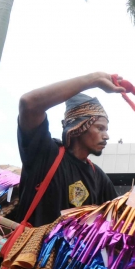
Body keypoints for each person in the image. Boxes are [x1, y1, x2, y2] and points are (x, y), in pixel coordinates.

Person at [17, 72, 124, 227]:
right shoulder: (44, 153)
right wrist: (94, 80)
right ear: (80, 126)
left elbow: (121, 220)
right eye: (100, 128)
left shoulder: (99, 178)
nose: (106, 136)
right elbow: (29, 104)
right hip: (31, 250)